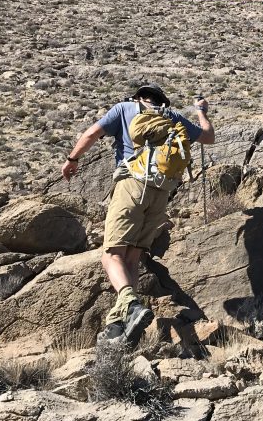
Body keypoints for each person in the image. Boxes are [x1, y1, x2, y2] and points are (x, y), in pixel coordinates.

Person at [61, 83, 214, 343]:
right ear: (160, 100)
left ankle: (131, 306)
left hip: (132, 183)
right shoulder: (172, 117)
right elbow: (208, 138)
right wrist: (201, 112)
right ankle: (119, 325)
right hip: (161, 193)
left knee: (111, 255)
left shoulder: (124, 108)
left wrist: (73, 159)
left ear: (138, 97)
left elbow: (91, 134)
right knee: (132, 258)